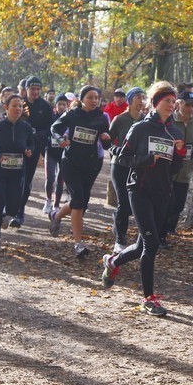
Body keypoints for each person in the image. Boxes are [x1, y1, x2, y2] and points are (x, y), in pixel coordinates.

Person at [100, 82, 185, 317]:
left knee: (141, 246)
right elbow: (123, 157)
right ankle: (148, 298)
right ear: (156, 103)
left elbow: (175, 168)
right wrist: (148, 159)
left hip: (162, 192)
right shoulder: (139, 129)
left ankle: (113, 262)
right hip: (139, 190)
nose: (172, 105)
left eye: (173, 101)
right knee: (151, 244)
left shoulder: (176, 132)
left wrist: (179, 153)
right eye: (167, 101)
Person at [48, 85, 112, 257]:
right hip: (71, 161)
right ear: (82, 99)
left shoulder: (101, 118)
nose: (94, 101)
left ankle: (57, 216)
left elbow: (107, 144)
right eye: (90, 97)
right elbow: (54, 128)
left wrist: (106, 138)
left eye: (97, 98)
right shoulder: (72, 114)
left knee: (82, 201)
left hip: (91, 164)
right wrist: (61, 139)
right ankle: (78, 244)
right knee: (78, 200)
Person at [0, 95, 35, 251]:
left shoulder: (26, 127)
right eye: (14, 106)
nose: (18, 109)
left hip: (17, 172)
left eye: (20, 106)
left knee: (14, 206)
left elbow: (31, 143)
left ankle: (7, 216)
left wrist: (29, 150)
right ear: (6, 108)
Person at [162, 90, 193, 246]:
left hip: (186, 169)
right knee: (165, 201)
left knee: (179, 202)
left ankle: (170, 227)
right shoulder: (168, 120)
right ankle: (160, 234)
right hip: (167, 169)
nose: (190, 108)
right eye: (187, 104)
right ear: (179, 104)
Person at [107, 87, 146, 252]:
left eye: (143, 97)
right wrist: (115, 150)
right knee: (123, 201)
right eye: (137, 97)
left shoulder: (146, 121)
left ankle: (117, 220)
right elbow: (107, 140)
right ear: (130, 100)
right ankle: (120, 240)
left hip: (137, 165)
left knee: (131, 204)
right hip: (119, 165)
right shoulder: (119, 119)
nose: (141, 100)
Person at [14, 76, 53, 227]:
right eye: (32, 89)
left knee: (26, 180)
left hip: (34, 147)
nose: (35, 92)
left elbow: (51, 127)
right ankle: (9, 207)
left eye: (38, 89)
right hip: (16, 147)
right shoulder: (19, 104)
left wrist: (37, 136)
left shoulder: (45, 106)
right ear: (26, 89)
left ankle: (20, 212)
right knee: (15, 179)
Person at [42, 94, 69, 214]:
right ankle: (48, 200)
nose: (62, 107)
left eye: (64, 104)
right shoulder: (51, 117)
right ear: (55, 106)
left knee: (60, 179)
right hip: (51, 152)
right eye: (60, 104)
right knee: (50, 178)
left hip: (64, 153)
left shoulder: (69, 118)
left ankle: (56, 204)